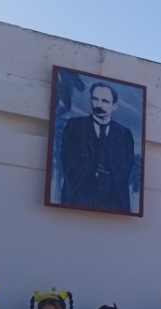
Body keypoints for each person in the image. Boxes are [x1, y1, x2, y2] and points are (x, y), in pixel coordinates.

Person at [60, 81, 135, 213]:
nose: (99, 105)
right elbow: (67, 162)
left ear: (114, 106)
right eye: (95, 99)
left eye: (105, 101)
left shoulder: (124, 135)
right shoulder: (74, 127)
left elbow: (125, 170)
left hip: (113, 204)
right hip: (78, 200)